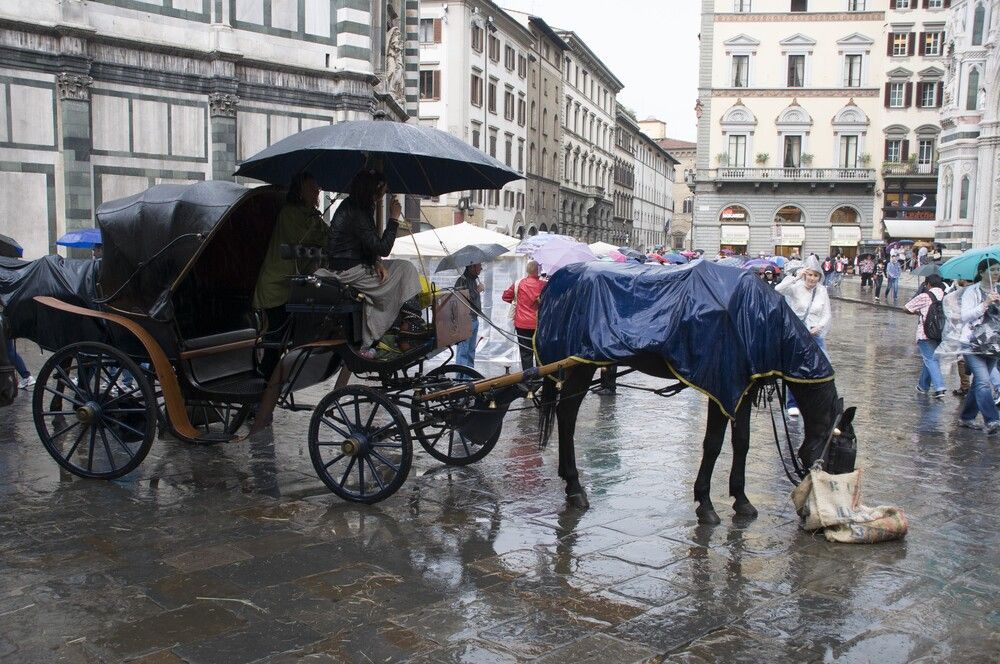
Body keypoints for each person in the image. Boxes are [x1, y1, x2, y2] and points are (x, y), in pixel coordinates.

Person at [326, 170, 421, 360]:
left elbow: (368, 246)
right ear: (375, 189)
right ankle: (405, 330)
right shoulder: (357, 210)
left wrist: (376, 261)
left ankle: (402, 327)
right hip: (349, 271)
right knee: (406, 270)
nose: (382, 197)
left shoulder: (357, 207)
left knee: (405, 268)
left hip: (355, 265)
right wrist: (394, 219)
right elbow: (382, 247)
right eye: (383, 192)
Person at [253, 171, 329, 376]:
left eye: (317, 188)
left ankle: (274, 382)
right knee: (275, 342)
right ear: (300, 191)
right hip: (276, 286)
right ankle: (263, 385)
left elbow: (327, 238)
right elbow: (299, 244)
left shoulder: (312, 215)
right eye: (312, 188)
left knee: (289, 339)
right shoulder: (290, 214)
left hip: (293, 287)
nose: (317, 192)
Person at [776, 256, 832, 417]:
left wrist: (819, 326)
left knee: (821, 367)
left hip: (815, 334)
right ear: (805, 274)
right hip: (797, 334)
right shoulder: (796, 287)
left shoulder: (822, 291)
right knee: (796, 369)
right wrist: (796, 277)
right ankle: (792, 402)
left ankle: (816, 401)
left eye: (816, 276)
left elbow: (826, 313)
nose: (812, 279)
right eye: (810, 275)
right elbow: (778, 290)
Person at [955, 259, 1000, 432]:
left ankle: (966, 418)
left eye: (998, 270)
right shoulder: (971, 292)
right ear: (982, 272)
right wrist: (986, 303)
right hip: (971, 343)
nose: (996, 273)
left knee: (978, 384)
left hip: (993, 344)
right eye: (993, 269)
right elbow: (965, 316)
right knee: (983, 381)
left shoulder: (999, 289)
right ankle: (992, 420)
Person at [905, 274, 947, 399]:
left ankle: (940, 387)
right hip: (941, 333)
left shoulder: (925, 296)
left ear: (928, 284)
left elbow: (907, 308)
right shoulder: (946, 296)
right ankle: (923, 386)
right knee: (930, 359)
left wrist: (919, 312)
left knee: (930, 360)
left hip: (925, 333)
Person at [502, 260, 545, 372]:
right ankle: (540, 377)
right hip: (538, 324)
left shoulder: (518, 283)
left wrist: (519, 301)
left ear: (527, 270)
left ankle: (529, 379)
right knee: (539, 352)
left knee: (526, 353)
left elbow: (506, 296)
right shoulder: (543, 285)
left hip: (521, 324)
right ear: (538, 271)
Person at [454, 263, 484, 367]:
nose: (481, 268)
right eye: (479, 266)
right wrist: (477, 291)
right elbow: (462, 300)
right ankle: (461, 378)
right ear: (472, 267)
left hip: (474, 319)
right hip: (465, 320)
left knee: (471, 351)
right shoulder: (462, 281)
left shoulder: (473, 280)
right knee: (463, 351)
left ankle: (469, 376)